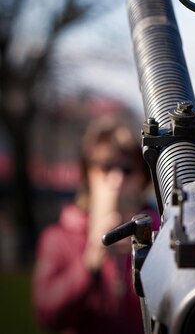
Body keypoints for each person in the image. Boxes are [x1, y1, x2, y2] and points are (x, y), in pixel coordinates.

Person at [32, 115, 159, 334]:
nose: (117, 179)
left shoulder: (163, 234)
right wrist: (90, 263)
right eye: (106, 167)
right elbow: (47, 315)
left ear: (142, 177)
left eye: (127, 169)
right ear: (87, 174)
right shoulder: (58, 237)